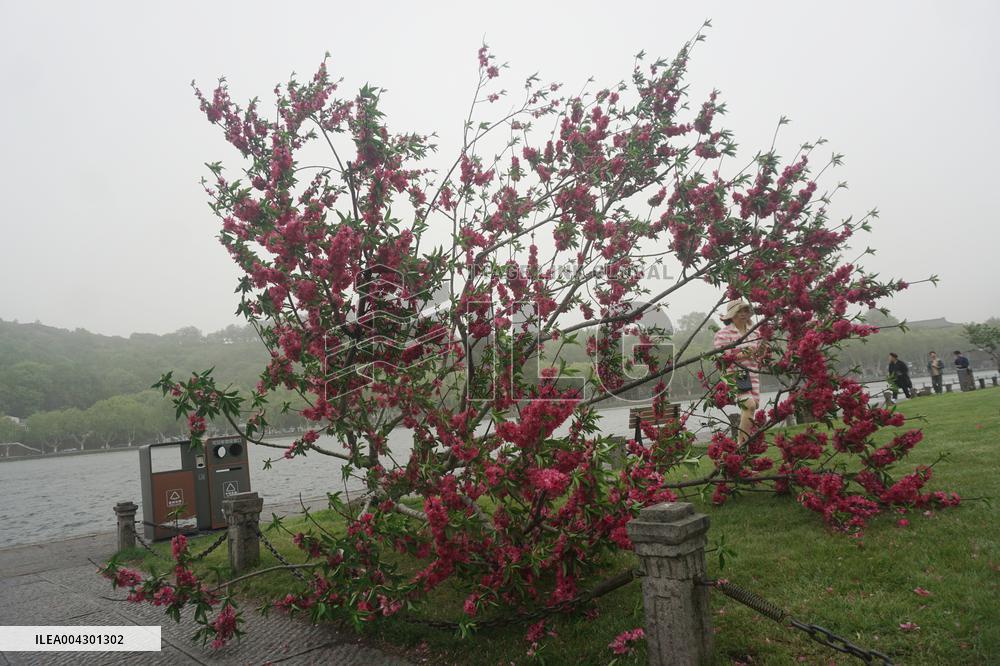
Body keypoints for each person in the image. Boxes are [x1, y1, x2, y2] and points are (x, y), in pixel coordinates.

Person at [713, 299, 760, 445]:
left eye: (746, 310)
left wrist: (761, 352)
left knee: (752, 409)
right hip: (734, 375)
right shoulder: (723, 334)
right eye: (740, 311)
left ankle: (743, 446)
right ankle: (741, 446)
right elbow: (723, 358)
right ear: (732, 314)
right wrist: (746, 354)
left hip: (753, 373)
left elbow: (757, 353)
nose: (744, 314)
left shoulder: (754, 332)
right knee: (749, 405)